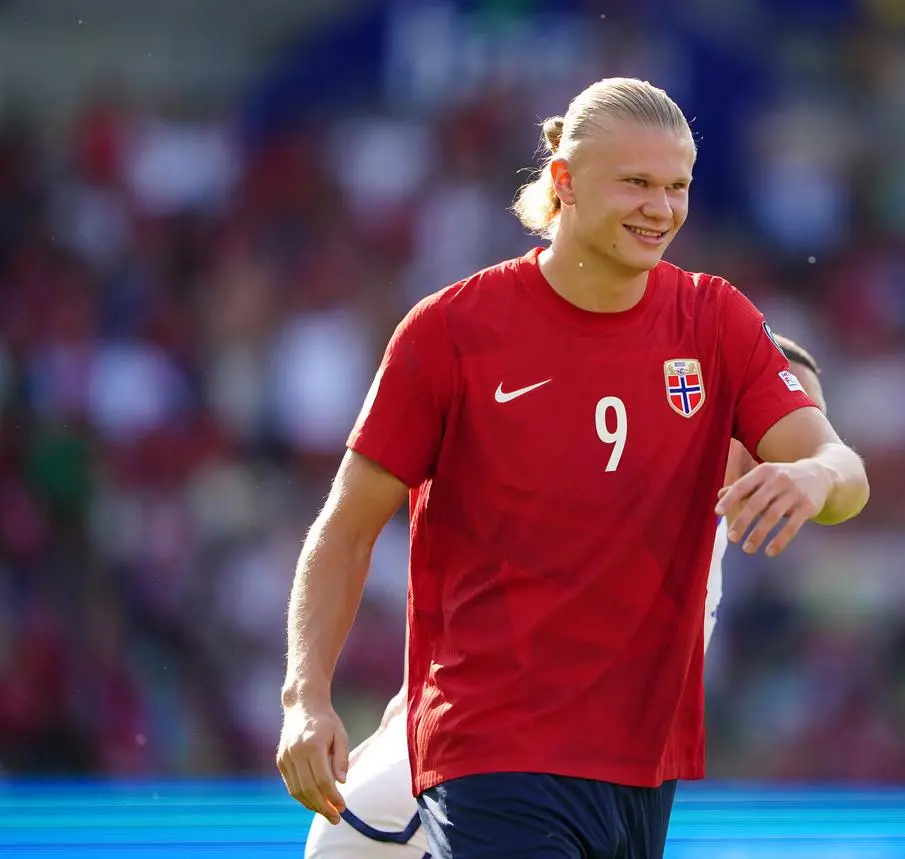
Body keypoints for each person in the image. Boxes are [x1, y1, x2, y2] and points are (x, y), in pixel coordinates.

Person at [276, 77, 869, 859]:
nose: (661, 208)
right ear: (563, 180)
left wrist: (815, 476)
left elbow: (840, 466)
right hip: (488, 745)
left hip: (638, 767)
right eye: (636, 183)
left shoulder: (716, 321)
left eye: (678, 187)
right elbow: (345, 528)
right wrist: (305, 697)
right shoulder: (452, 330)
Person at [301, 336, 828, 858]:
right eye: (781, 423)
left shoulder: (705, 530)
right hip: (418, 818)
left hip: (480, 806)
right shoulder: (639, 488)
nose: (790, 457)